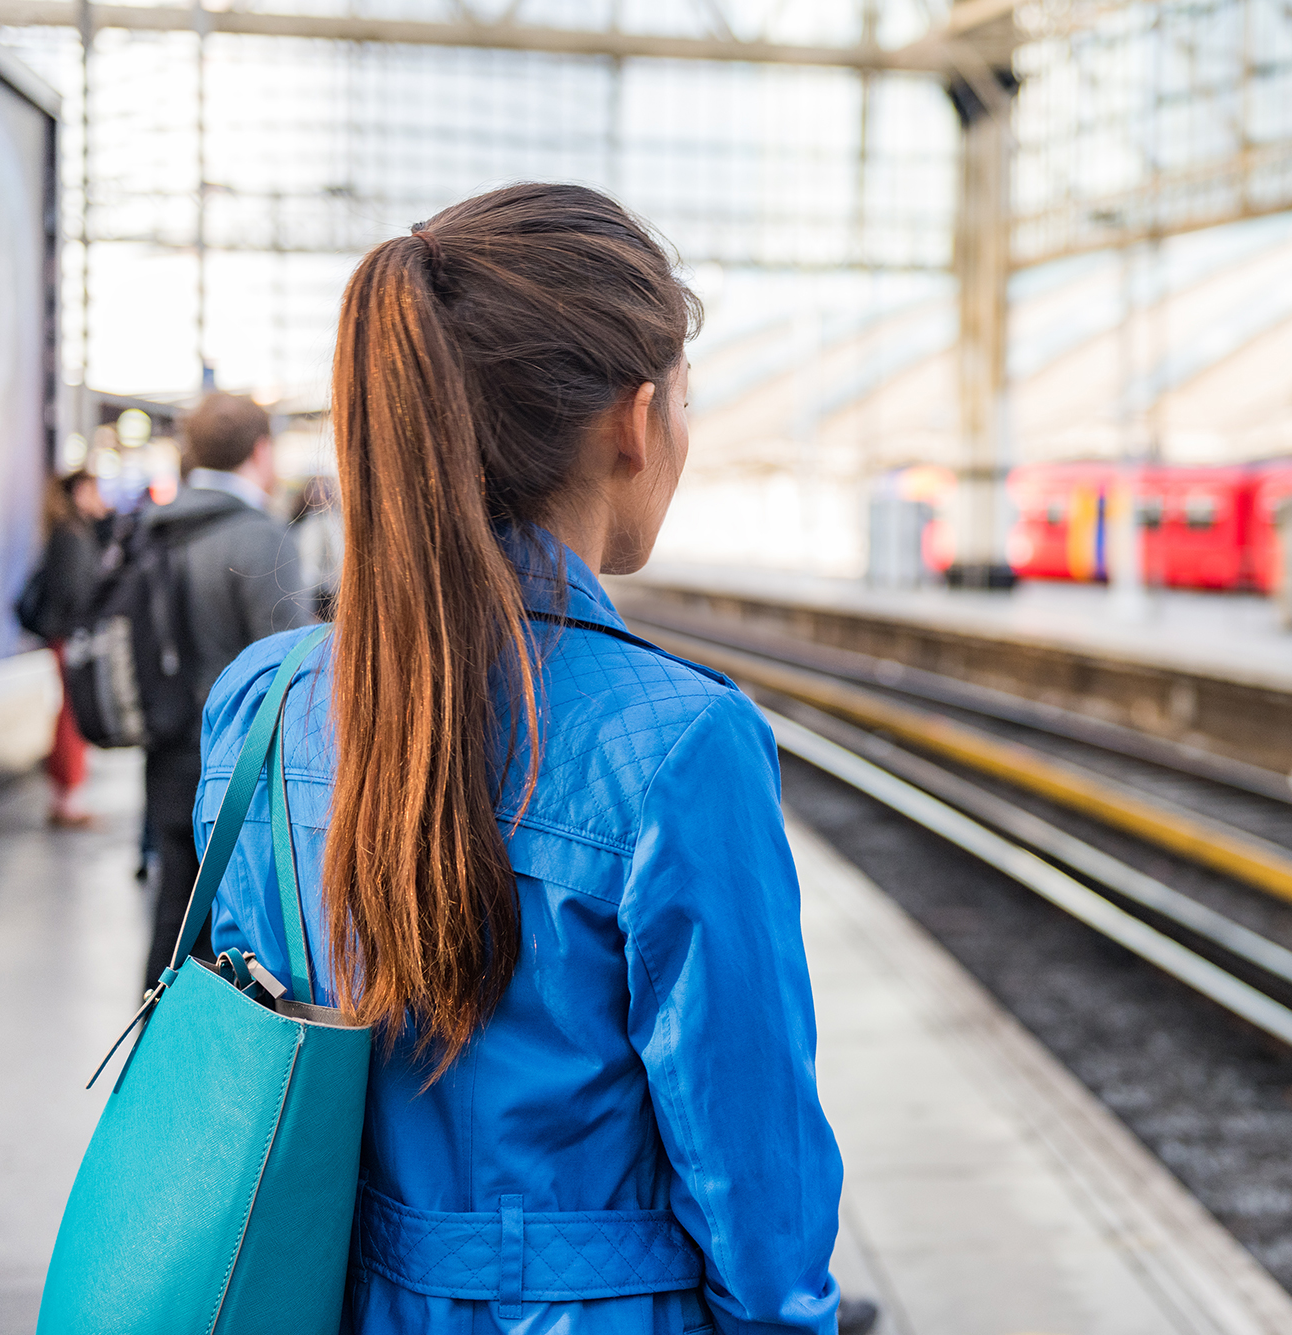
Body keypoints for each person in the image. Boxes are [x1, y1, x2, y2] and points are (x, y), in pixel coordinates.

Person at [198, 184, 844, 1332]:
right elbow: (757, 1187)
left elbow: (250, 1065)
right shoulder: (684, 744)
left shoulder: (267, 699)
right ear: (633, 422)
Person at [140, 393, 315, 992]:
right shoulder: (260, 538)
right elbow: (290, 671)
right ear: (260, 451)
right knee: (234, 933)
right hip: (237, 766)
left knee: (173, 914)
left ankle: (157, 1055)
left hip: (163, 747)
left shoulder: (154, 528)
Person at [23, 470, 113, 826]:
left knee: (67, 712)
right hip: (71, 635)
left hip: (60, 633)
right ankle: (69, 799)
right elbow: (78, 593)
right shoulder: (74, 536)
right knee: (73, 715)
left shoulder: (66, 531)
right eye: (94, 489)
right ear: (79, 492)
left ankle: (64, 796)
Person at [290, 475, 345, 619]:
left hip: (322, 595)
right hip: (317, 596)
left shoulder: (332, 521)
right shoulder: (309, 524)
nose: (319, 494)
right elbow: (309, 569)